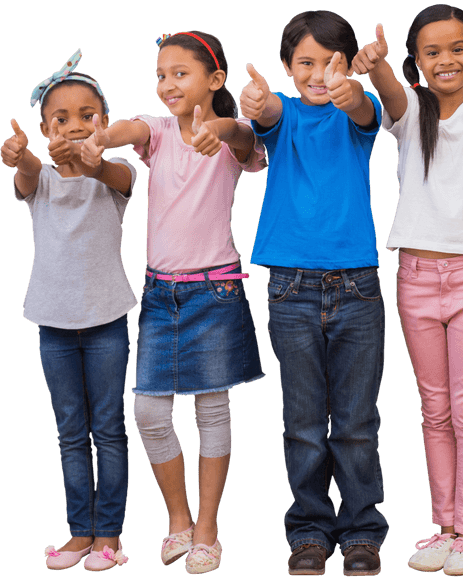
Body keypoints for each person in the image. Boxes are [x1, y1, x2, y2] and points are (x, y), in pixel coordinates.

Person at [84, 30, 265, 575]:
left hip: (216, 288)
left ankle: (208, 531)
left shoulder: (236, 138)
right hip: (161, 293)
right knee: (148, 412)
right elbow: (128, 127)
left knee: (211, 409)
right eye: (161, 74)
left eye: (180, 73)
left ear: (215, 80)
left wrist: (221, 130)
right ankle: (177, 520)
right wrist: (100, 138)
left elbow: (241, 136)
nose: (167, 84)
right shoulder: (158, 131)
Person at [352, 3, 463, 575]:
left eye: (457, 49)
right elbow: (389, 94)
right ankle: (443, 527)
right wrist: (374, 65)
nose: (446, 60)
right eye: (432, 52)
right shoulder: (409, 110)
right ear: (417, 62)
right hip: (417, 278)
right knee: (433, 408)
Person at [239, 10, 387, 576]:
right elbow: (269, 111)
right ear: (285, 67)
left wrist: (352, 88)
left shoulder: (357, 114)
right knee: (303, 423)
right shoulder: (282, 115)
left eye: (332, 62)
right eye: (306, 62)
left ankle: (362, 532)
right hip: (290, 287)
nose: (320, 74)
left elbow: (361, 107)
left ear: (349, 65)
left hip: (357, 285)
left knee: (355, 422)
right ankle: (308, 530)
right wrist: (258, 103)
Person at [4, 49, 135, 572]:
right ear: (43, 126)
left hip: (107, 323)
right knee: (69, 430)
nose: (76, 125)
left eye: (88, 115)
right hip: (53, 326)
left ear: (104, 121)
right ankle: (79, 533)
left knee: (108, 428)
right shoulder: (40, 183)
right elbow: (32, 173)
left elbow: (111, 173)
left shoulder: (114, 172)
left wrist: (93, 158)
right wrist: (24, 156)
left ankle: (110, 538)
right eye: (62, 118)